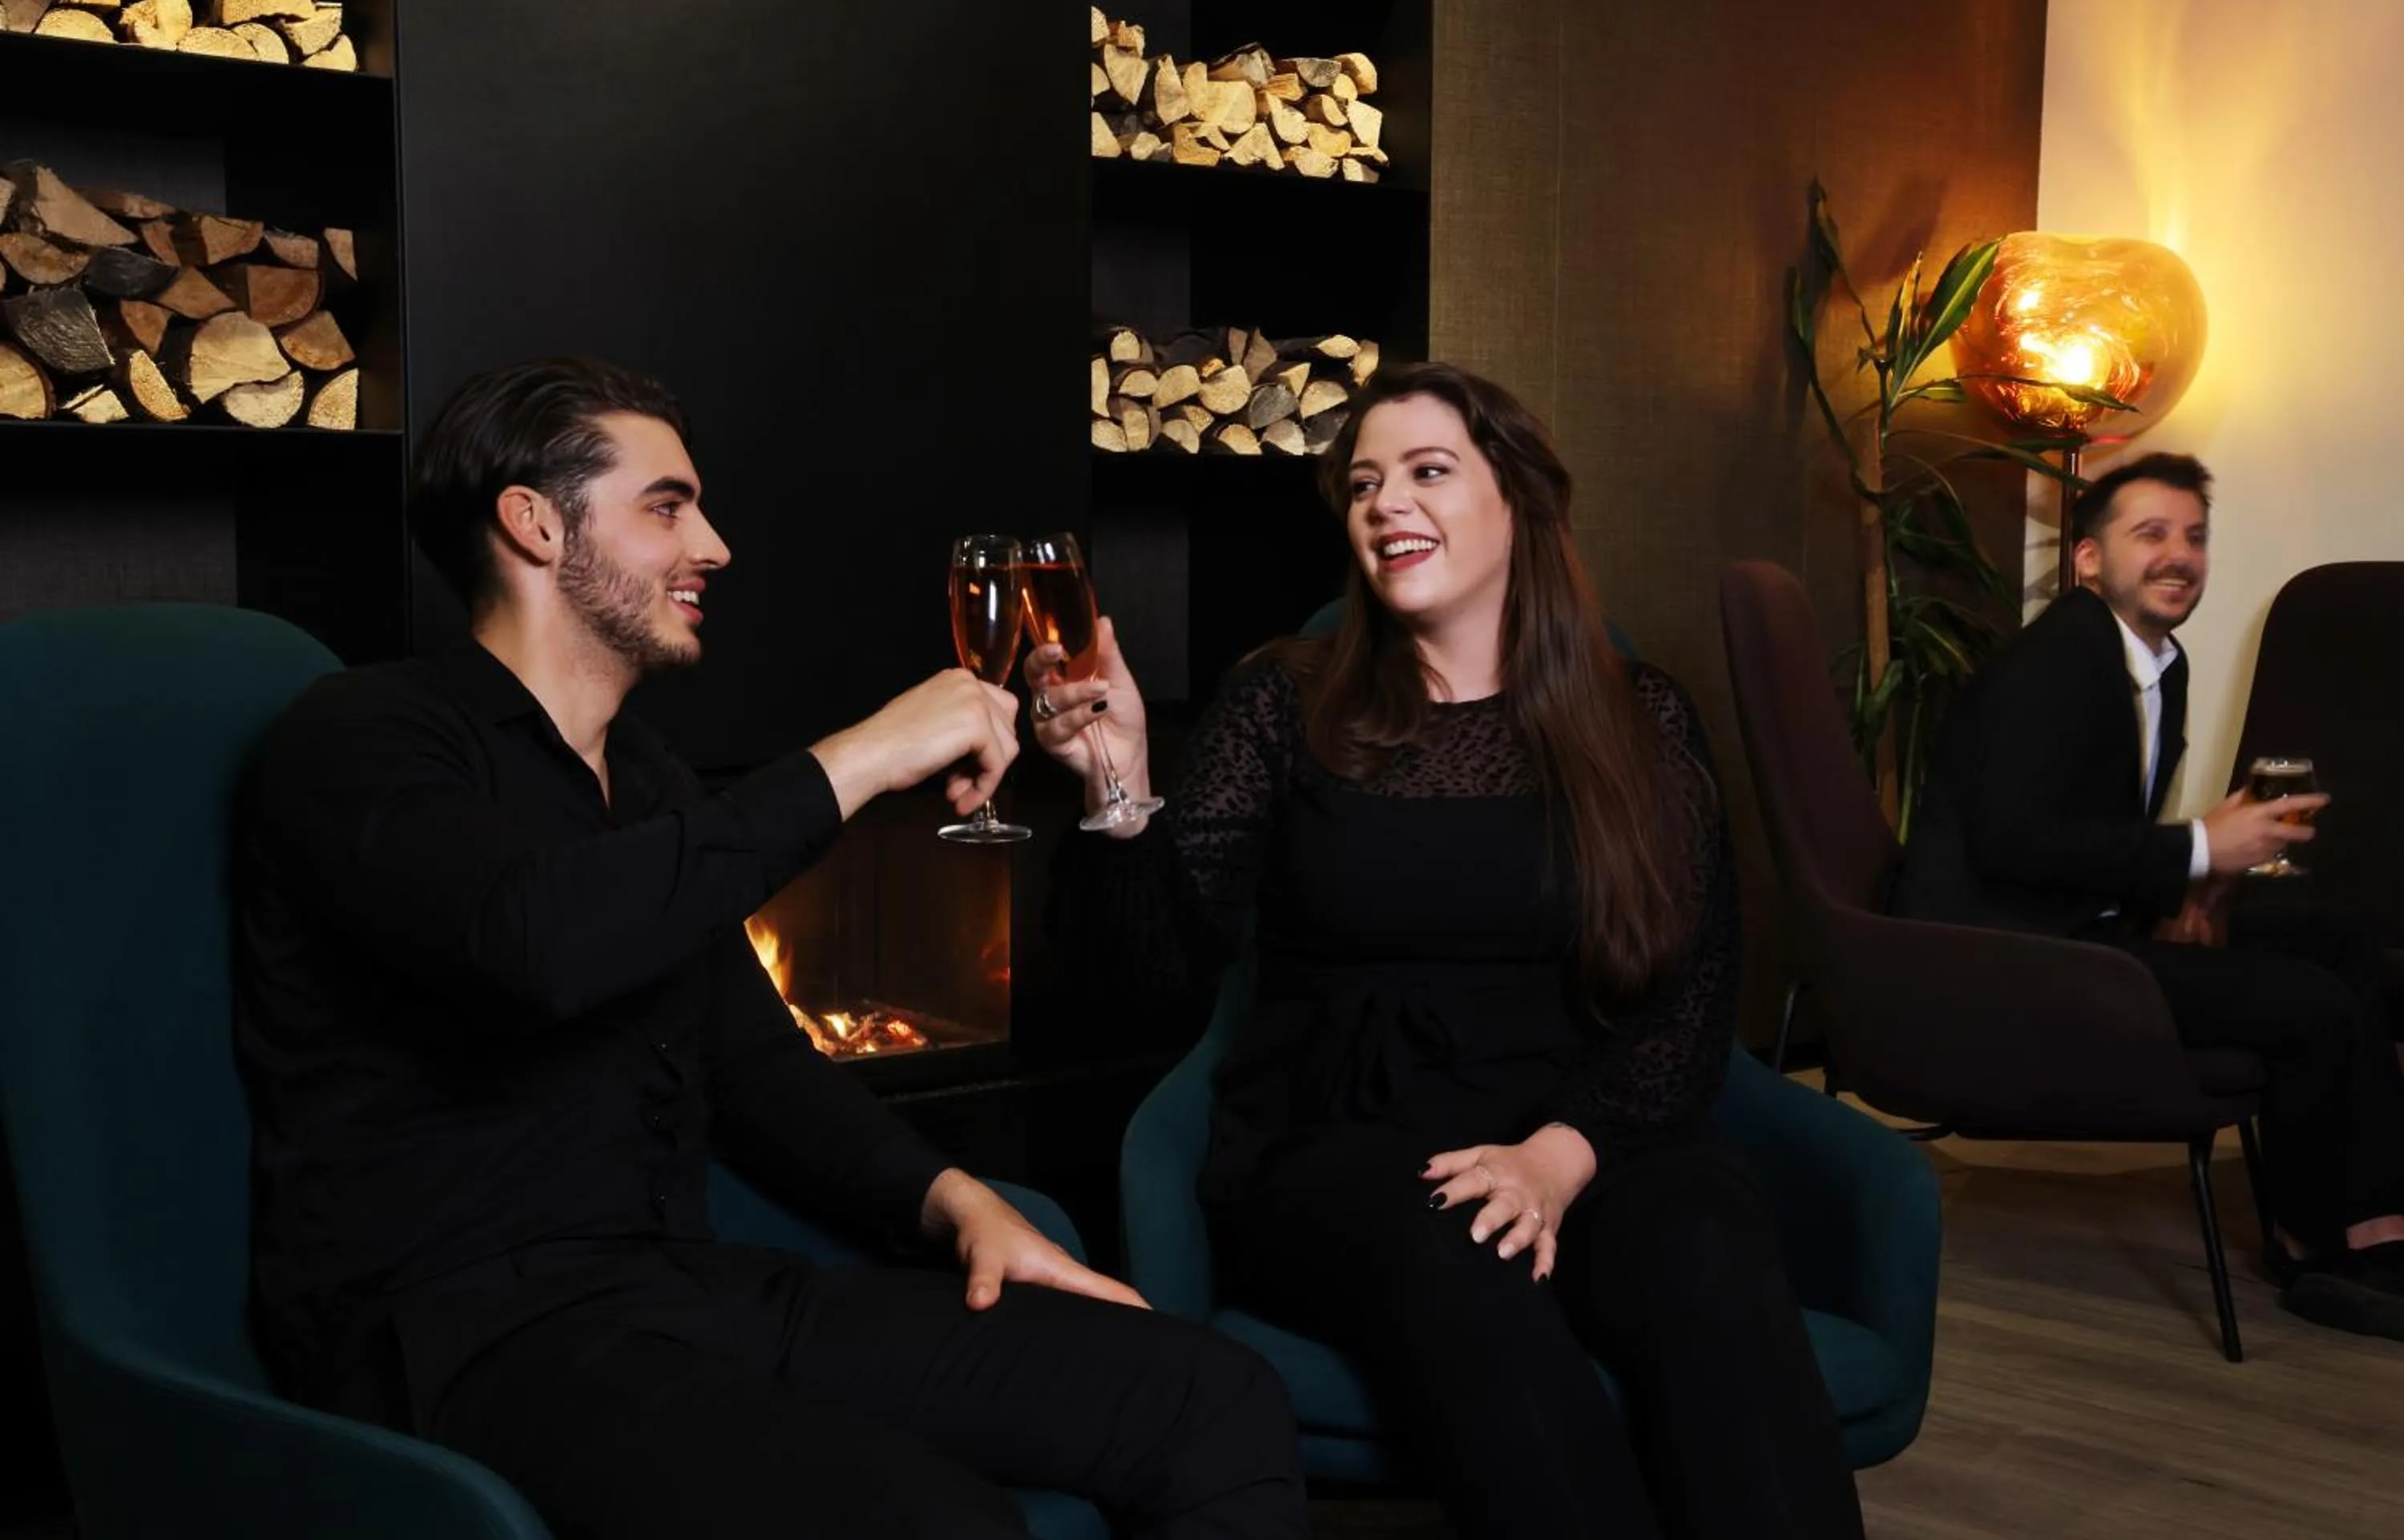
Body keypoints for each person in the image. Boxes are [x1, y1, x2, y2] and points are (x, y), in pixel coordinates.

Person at [233, 357, 1308, 1539]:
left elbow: (751, 1061)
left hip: (688, 1290)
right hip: (471, 1336)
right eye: (666, 505)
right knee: (932, 1520)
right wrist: (861, 758)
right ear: (534, 523)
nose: (715, 545)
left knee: (1209, 1396)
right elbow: (531, 942)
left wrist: (956, 1203)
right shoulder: (362, 736)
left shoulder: (644, 777)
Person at [1031, 361, 1864, 1540]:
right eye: (1365, 483)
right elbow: (1152, 970)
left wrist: (1559, 1161)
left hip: (1582, 1124)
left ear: (1519, 502)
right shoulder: (1284, 700)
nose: (1386, 503)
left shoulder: (1643, 718)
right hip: (1345, 1143)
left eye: (1428, 472)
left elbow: (1692, 994)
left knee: (1706, 1253)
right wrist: (1117, 781)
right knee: (1458, 1257)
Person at [1894, 452, 2404, 1340]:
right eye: (2152, 534)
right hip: (2011, 953)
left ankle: (2376, 1219)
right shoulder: (2055, 663)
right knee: (2310, 1004)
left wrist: (2199, 881)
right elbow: (2015, 843)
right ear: (2089, 559)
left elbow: (2092, 828)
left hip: (2086, 922)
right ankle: (2313, 1248)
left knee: (2343, 941)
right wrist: (2201, 844)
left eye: (2195, 537)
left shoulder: (2156, 662)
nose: (2180, 555)